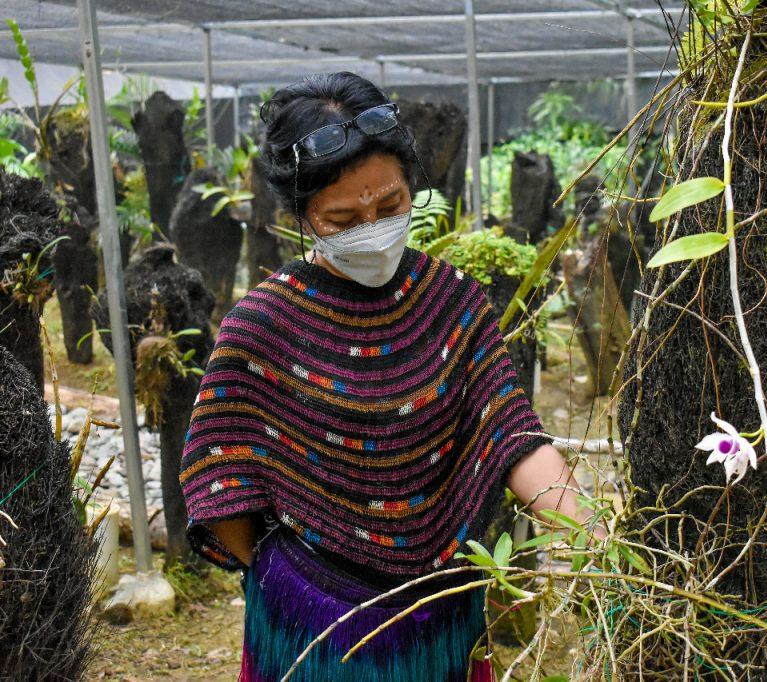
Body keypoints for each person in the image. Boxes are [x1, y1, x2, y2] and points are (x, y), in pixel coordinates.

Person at [178, 72, 607, 682]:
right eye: (342, 219)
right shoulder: (262, 326)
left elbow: (512, 435)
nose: (371, 229)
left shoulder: (453, 303)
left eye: (390, 206)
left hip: (439, 616)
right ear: (301, 214)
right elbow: (221, 479)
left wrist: (588, 534)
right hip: (312, 629)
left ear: (412, 189)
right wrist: (292, 586)